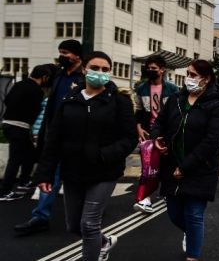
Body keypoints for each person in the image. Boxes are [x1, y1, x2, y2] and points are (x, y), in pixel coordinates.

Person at [35, 51, 137, 261]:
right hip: (73, 172)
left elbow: (129, 138)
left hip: (104, 171)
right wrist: (44, 174)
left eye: (105, 70)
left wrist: (104, 155)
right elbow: (53, 140)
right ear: (84, 69)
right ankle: (103, 242)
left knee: (89, 224)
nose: (100, 73)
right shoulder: (69, 100)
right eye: (95, 68)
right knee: (74, 226)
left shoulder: (119, 101)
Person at [152, 59, 219, 261]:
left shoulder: (216, 106)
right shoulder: (176, 99)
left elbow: (212, 141)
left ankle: (192, 255)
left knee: (194, 214)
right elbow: (159, 122)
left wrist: (186, 167)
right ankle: (193, 234)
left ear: (207, 78)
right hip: (172, 165)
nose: (188, 79)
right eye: (188, 74)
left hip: (201, 168)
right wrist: (157, 137)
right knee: (175, 214)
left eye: (193, 75)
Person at [15, 39, 84, 236]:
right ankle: (40, 217)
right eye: (60, 51)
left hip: (76, 138)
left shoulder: (83, 77)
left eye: (66, 52)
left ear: (77, 55)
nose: (62, 56)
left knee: (78, 179)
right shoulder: (59, 76)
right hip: (55, 137)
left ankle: (88, 213)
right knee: (49, 176)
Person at [0, 64, 54, 201]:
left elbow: (7, 100)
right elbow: (36, 110)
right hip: (20, 127)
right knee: (15, 160)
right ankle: (4, 192)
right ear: (44, 77)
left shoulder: (19, 84)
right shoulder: (37, 91)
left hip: (7, 124)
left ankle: (25, 181)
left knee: (29, 153)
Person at [133, 55, 179, 214]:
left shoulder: (172, 89)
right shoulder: (141, 89)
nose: (150, 71)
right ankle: (145, 199)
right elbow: (139, 110)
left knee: (166, 164)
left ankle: (168, 192)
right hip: (148, 133)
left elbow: (176, 112)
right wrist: (139, 127)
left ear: (162, 69)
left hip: (166, 133)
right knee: (147, 166)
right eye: (148, 68)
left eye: (154, 68)